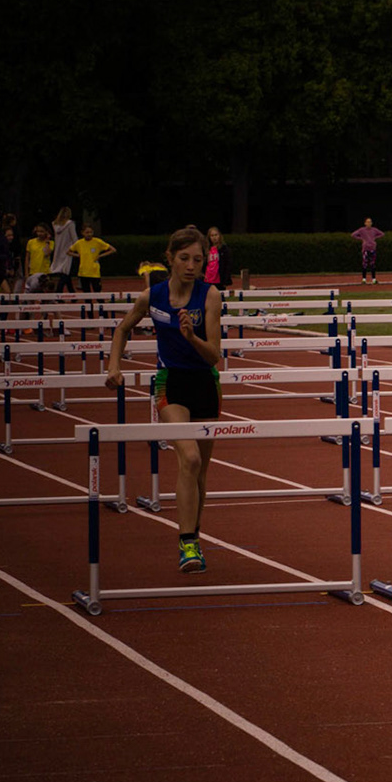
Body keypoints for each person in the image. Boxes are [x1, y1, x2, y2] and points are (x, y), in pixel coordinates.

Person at [105, 227, 224, 574]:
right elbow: (122, 329)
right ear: (169, 258)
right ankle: (186, 542)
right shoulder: (152, 296)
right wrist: (114, 366)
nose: (191, 266)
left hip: (205, 384)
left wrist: (191, 337)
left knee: (200, 471)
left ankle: (194, 538)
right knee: (189, 458)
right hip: (170, 383)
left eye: (197, 260)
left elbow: (214, 356)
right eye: (184, 258)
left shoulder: (210, 295)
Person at [71, 224, 115, 292]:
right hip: (83, 272)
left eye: (91, 232)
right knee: (86, 293)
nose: (89, 234)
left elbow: (112, 250)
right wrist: (78, 255)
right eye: (87, 232)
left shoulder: (97, 241)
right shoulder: (79, 243)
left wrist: (100, 256)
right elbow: (69, 251)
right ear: (82, 233)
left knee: (97, 291)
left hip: (94, 272)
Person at [49, 207, 77, 292]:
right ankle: (59, 291)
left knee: (65, 273)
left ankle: (72, 292)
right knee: (65, 272)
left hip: (58, 251)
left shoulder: (55, 224)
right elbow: (74, 238)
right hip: (68, 251)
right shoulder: (70, 224)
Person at [352, 218, 384, 285]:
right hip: (365, 249)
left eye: (370, 222)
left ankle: (374, 279)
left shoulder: (374, 230)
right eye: (367, 222)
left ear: (371, 223)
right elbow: (353, 235)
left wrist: (374, 239)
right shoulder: (362, 230)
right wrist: (362, 239)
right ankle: (364, 279)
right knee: (365, 264)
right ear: (365, 223)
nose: (369, 223)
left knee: (372, 264)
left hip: (372, 248)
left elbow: (382, 234)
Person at [23, 223, 53, 291]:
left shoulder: (50, 243)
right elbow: (27, 258)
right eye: (38, 231)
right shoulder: (31, 242)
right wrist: (26, 273)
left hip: (45, 272)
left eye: (42, 231)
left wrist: (47, 241)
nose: (39, 234)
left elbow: (47, 253)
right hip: (33, 272)